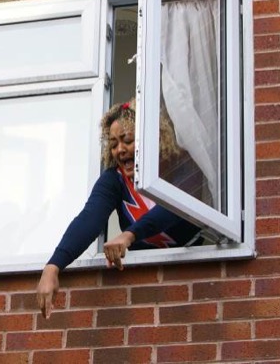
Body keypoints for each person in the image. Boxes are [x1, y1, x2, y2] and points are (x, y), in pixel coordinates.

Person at [36, 99, 204, 318]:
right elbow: (89, 220)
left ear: (153, 138)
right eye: (113, 144)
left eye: (128, 140)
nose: (120, 150)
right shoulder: (113, 180)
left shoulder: (181, 163)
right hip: (143, 284)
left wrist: (129, 234)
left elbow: (176, 205)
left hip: (194, 272)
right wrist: (53, 266)